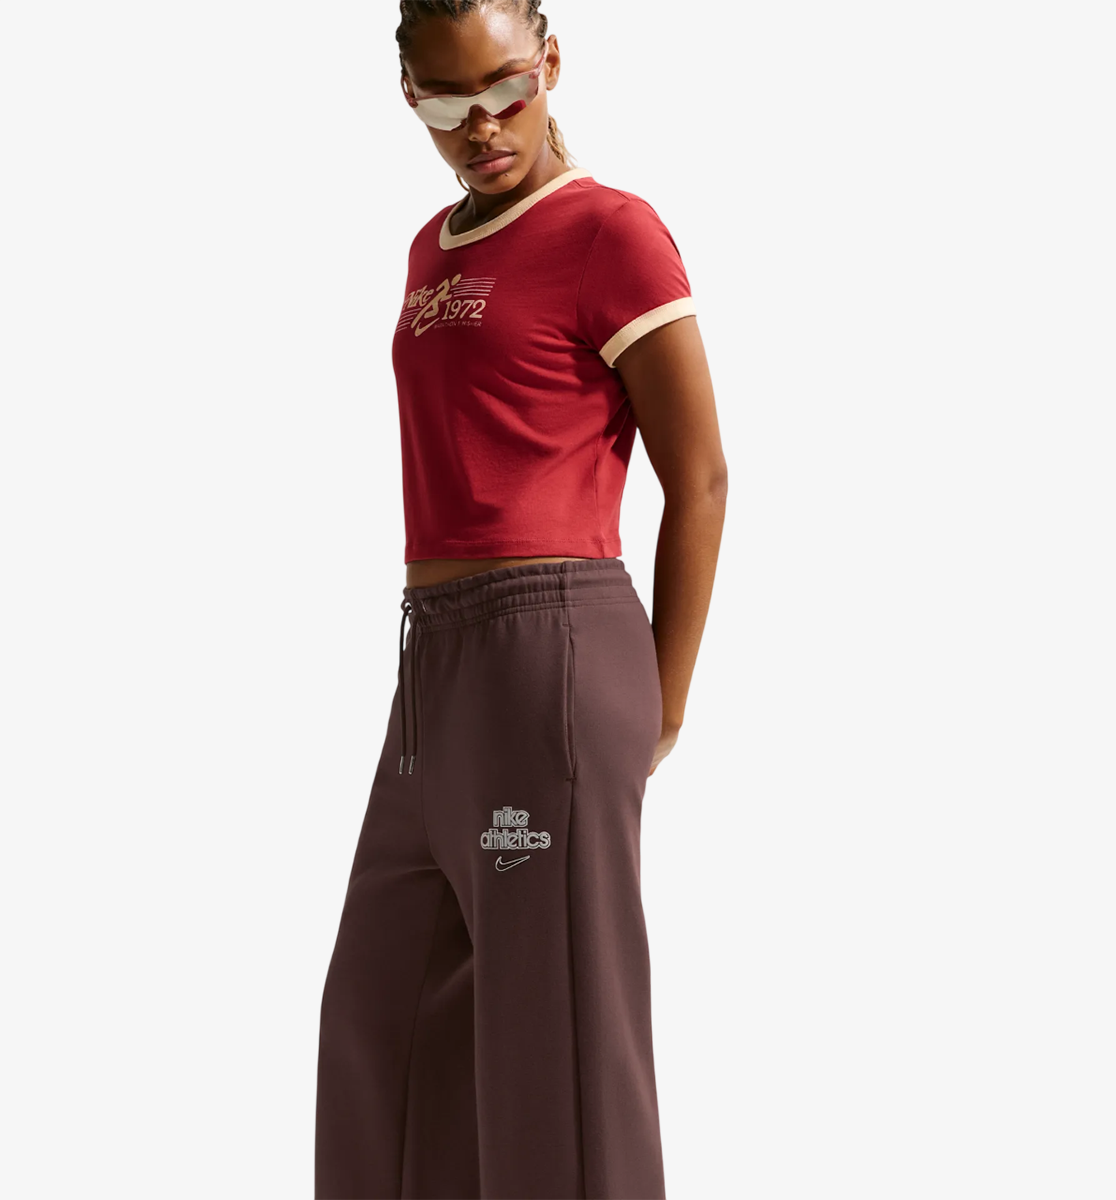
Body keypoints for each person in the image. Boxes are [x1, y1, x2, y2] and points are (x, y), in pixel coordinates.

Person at [314, 3, 727, 1197]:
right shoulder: (430, 248)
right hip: (434, 669)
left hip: (551, 646)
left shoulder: (610, 233)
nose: (483, 126)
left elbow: (699, 475)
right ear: (409, 94)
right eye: (450, 103)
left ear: (550, 61)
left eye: (506, 89)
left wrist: (664, 701)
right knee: (382, 1028)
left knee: (556, 1050)